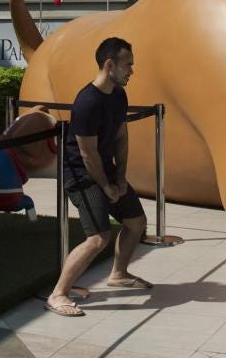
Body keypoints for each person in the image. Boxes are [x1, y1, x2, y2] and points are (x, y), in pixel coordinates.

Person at [45, 37, 151, 317]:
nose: (131, 70)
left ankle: (119, 273)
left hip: (106, 170)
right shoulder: (87, 103)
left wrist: (121, 176)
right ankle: (57, 294)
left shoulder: (118, 94)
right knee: (98, 238)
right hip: (81, 175)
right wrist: (106, 186)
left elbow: (121, 135)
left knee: (136, 222)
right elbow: (86, 154)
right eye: (128, 65)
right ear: (109, 65)